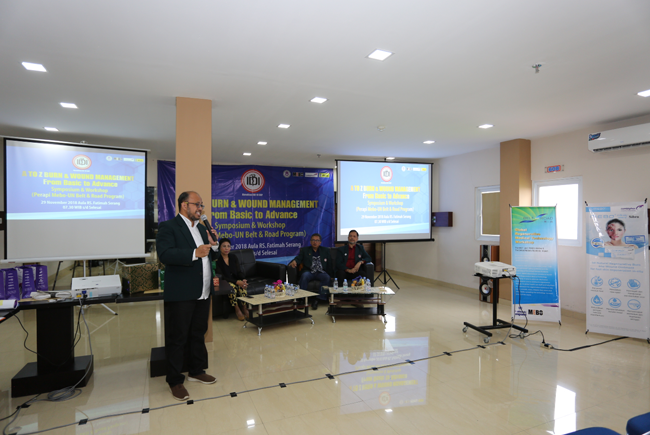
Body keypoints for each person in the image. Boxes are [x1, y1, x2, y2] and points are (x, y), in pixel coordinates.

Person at [156, 191, 219, 401]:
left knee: (198, 332)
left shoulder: (201, 228)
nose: (200, 208)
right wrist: (194, 253)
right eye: (197, 204)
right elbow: (165, 254)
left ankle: (196, 370)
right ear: (184, 205)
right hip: (182, 292)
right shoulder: (169, 227)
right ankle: (175, 380)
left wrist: (213, 244)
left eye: (201, 205)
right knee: (178, 337)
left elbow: (211, 255)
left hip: (203, 291)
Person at [288, 233, 333, 310]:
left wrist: (331, 275)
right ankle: (302, 299)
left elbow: (329, 263)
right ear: (310, 241)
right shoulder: (305, 250)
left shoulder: (325, 250)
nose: (315, 242)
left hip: (321, 272)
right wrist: (295, 261)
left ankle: (318, 299)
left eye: (317, 240)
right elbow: (299, 258)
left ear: (320, 242)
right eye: (313, 240)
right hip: (309, 271)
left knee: (327, 278)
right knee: (304, 276)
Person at [214, 238, 249, 320]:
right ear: (219, 248)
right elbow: (222, 277)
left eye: (228, 246)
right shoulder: (217, 259)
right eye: (224, 246)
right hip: (225, 282)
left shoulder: (233, 257)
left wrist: (243, 279)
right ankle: (237, 309)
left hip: (235, 280)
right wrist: (237, 282)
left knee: (242, 288)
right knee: (232, 289)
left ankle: (244, 308)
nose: (226, 248)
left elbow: (239, 271)